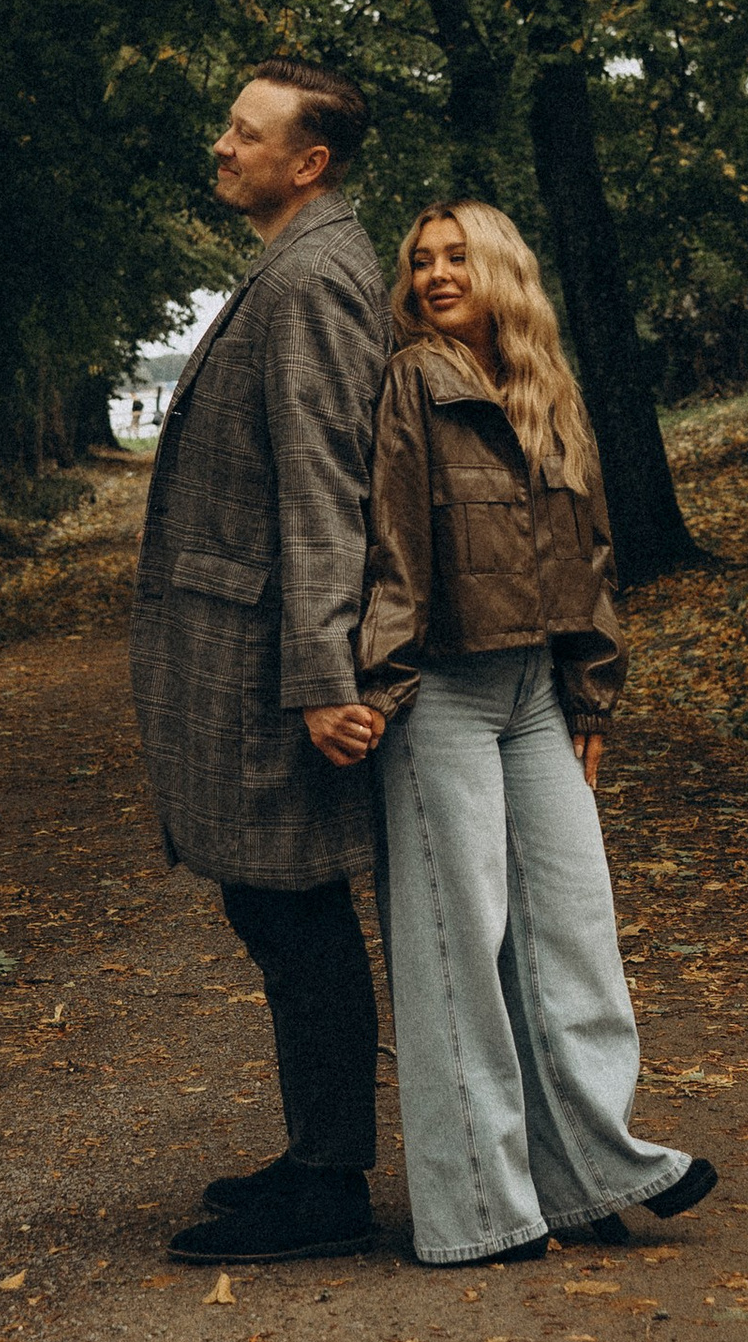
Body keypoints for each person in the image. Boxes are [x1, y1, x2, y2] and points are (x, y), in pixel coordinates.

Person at [356, 200, 717, 1269]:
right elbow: (388, 537)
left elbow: (589, 553)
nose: (433, 274)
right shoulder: (413, 380)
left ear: (504, 267)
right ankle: (477, 1209)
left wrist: (590, 693)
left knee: (572, 929)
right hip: (443, 693)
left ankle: (591, 1169)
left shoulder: (544, 392)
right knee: (456, 948)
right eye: (420, 261)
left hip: (535, 695)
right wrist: (381, 683)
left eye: (456, 256)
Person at [131, 61, 390, 1264]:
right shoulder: (294, 263)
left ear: (310, 162)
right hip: (244, 651)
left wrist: (325, 676)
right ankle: (313, 1154)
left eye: (246, 132)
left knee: (295, 914)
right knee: (275, 909)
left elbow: (328, 486)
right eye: (230, 127)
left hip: (268, 667)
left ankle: (332, 1185)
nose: (222, 145)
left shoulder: (318, 278)